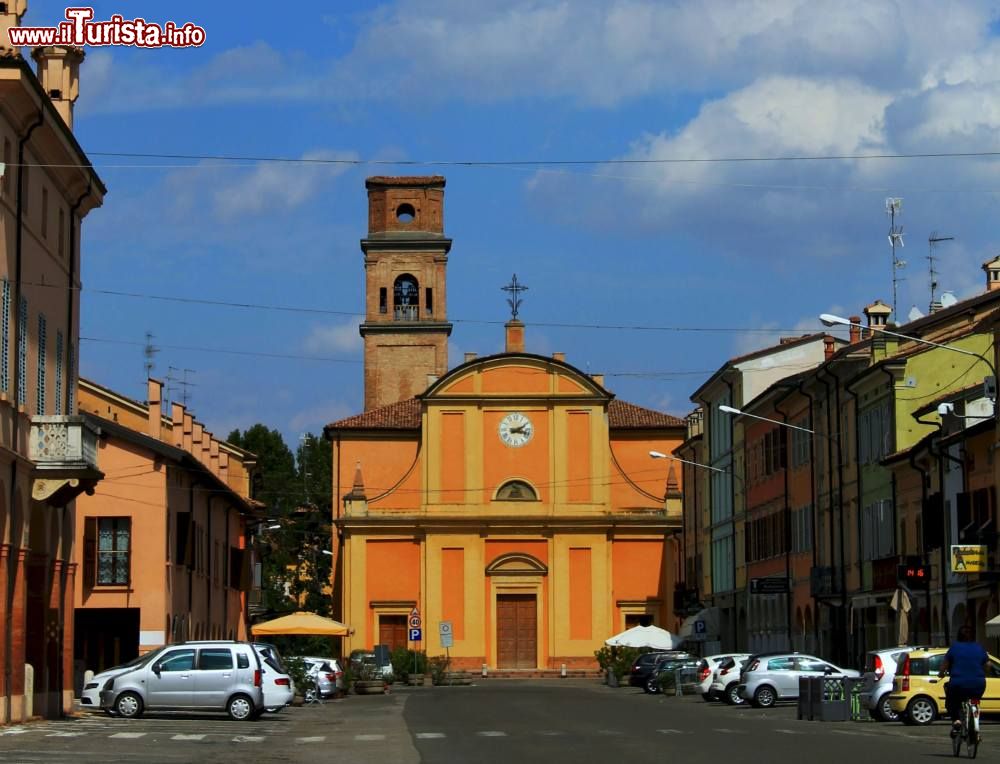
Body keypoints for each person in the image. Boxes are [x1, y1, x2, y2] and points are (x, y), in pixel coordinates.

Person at [938, 625, 989, 737]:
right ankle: (975, 715)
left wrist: (940, 674)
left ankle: (956, 720)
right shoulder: (979, 648)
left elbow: (943, 667)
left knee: (952, 700)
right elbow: (988, 665)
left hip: (958, 684)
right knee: (975, 700)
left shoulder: (954, 648)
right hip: (978, 684)